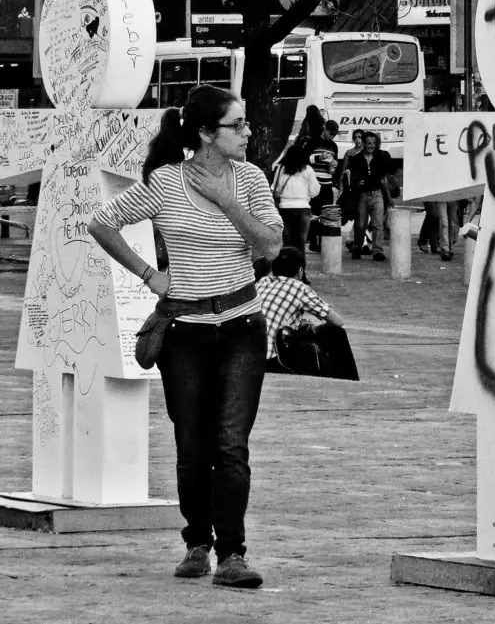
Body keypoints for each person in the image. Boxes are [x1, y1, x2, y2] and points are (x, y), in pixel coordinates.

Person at [87, 86, 283, 589]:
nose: (248, 132)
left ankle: (232, 554)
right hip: (184, 331)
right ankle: (197, 542)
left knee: (231, 444)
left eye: (245, 123)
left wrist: (227, 201)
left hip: (241, 326)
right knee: (192, 444)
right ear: (205, 134)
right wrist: (149, 275)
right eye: (237, 125)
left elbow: (271, 246)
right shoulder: (166, 182)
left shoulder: (251, 178)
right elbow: (102, 223)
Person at [257, 246, 357, 380]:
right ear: (300, 271)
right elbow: (338, 321)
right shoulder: (299, 287)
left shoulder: (262, 283)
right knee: (335, 333)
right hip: (276, 357)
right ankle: (350, 380)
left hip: (252, 356)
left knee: (303, 331)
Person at [347, 130, 394, 261]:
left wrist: (389, 198)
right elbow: (351, 177)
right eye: (369, 143)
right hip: (362, 195)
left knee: (378, 224)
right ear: (364, 143)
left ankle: (377, 250)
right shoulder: (356, 159)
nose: (371, 146)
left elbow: (384, 179)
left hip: (377, 194)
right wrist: (357, 182)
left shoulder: (381, 157)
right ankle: (357, 247)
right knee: (360, 224)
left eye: (373, 143)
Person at [271, 143, 320, 257]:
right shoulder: (307, 170)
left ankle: (287, 266)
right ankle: (300, 267)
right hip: (303, 208)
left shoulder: (281, 169)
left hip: (284, 208)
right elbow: (315, 190)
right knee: (300, 242)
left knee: (287, 243)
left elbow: (275, 188)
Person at [304, 118, 339, 252]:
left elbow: (334, 166)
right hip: (314, 183)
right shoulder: (313, 142)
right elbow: (304, 159)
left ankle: (323, 242)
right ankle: (313, 242)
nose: (332, 137)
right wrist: (319, 158)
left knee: (326, 214)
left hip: (327, 183)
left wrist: (333, 167)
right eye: (330, 133)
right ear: (325, 129)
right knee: (314, 214)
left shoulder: (333, 146)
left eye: (334, 135)